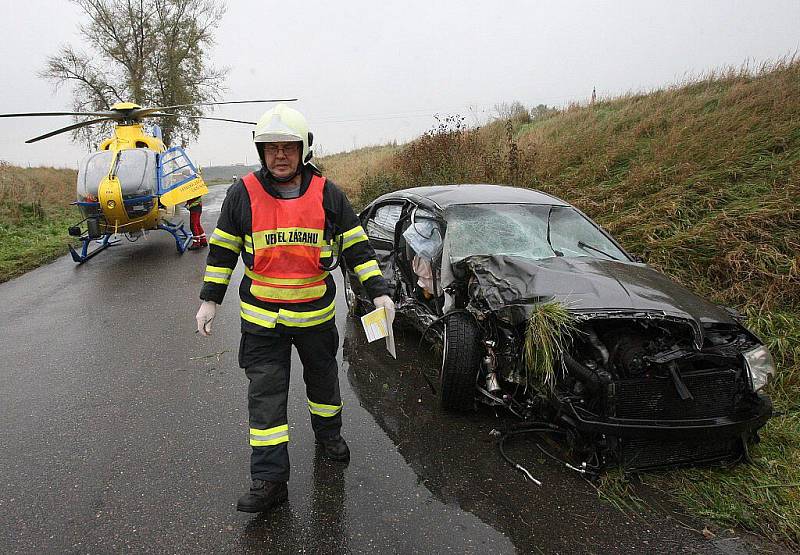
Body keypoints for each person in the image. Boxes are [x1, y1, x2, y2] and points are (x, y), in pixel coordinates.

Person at [194, 104, 395, 513]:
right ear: (261, 152)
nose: (280, 155)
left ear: (304, 149)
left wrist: (378, 291)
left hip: (316, 320)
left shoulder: (328, 194)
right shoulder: (242, 194)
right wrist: (210, 299)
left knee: (323, 387)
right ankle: (270, 481)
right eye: (271, 148)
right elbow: (223, 251)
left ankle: (329, 437)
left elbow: (357, 246)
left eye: (288, 147)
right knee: (265, 400)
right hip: (262, 323)